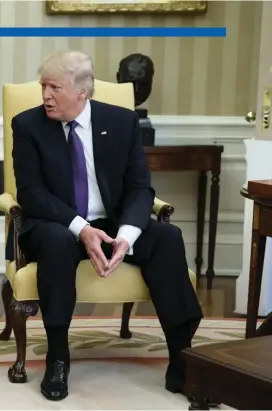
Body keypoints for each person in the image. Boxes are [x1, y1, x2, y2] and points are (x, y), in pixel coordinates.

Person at [11, 50, 203, 401]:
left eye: (54, 87)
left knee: (167, 238)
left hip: (113, 221)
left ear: (82, 91)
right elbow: (31, 193)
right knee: (54, 242)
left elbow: (140, 187)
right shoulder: (28, 126)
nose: (45, 95)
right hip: (58, 222)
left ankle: (182, 359)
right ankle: (57, 358)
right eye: (43, 87)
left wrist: (127, 238)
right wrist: (81, 229)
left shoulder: (121, 122)